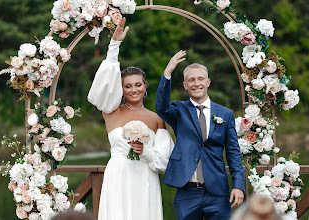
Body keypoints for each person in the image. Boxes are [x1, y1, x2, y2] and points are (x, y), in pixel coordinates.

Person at [87, 18, 174, 220]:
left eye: (138, 85)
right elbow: (103, 85)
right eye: (128, 86)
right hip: (118, 176)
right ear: (121, 89)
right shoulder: (110, 111)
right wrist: (114, 45)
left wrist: (145, 152)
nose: (133, 89)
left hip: (145, 179)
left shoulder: (156, 119)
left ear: (145, 87)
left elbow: (163, 162)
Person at [155, 51, 245, 219]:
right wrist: (167, 73)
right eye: (191, 80)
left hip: (218, 192)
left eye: (200, 79)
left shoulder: (225, 114)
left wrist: (239, 185)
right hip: (187, 192)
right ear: (185, 85)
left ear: (208, 82)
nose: (196, 83)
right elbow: (161, 108)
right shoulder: (178, 110)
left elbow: (233, 152)